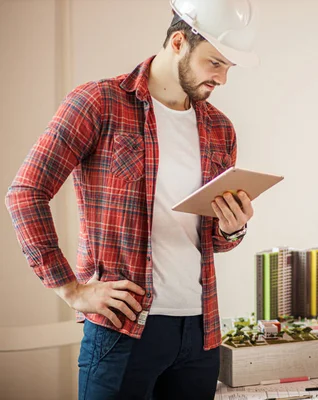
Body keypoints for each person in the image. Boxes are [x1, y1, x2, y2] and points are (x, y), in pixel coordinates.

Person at [5, 0, 259, 398]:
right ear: (179, 42)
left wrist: (232, 227)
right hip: (123, 329)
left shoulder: (219, 129)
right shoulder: (98, 103)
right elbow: (26, 193)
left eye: (229, 67)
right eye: (215, 63)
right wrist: (70, 289)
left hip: (199, 329)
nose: (223, 79)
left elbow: (211, 240)